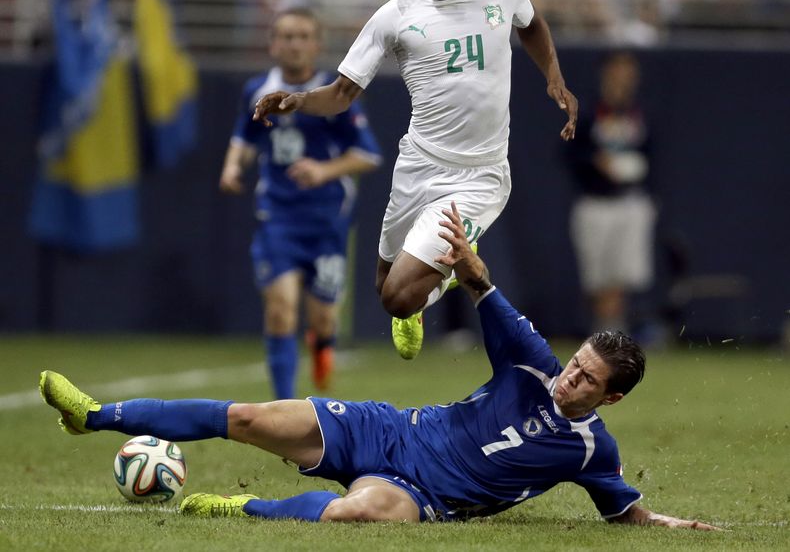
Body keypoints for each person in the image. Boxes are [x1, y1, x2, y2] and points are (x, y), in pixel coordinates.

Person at [39, 203, 720, 529]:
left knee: (356, 516)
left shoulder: (590, 450)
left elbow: (623, 512)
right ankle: (93, 414)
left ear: (611, 398)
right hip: (387, 431)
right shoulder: (531, 363)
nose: (570, 377)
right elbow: (485, 288)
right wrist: (464, 260)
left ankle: (244, 506)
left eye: (587, 379)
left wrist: (673, 528)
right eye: (576, 363)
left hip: (424, 496)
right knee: (245, 416)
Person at [253, 0, 579, 361]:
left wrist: (554, 76)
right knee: (384, 287)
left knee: (398, 298)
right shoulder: (396, 15)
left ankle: (452, 265)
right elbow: (343, 92)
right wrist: (298, 100)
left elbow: (532, 25)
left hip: (479, 175)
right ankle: (444, 267)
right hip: (419, 166)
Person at [219, 8, 382, 398]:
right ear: (273, 44)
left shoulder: (334, 95)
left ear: (316, 45)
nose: (294, 44)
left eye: (302, 36)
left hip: (327, 220)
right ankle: (284, 407)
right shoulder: (257, 90)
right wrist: (231, 167)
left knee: (323, 317)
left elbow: (368, 155)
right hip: (278, 215)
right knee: (280, 310)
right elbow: (244, 135)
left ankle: (322, 343)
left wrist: (324, 171)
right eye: (286, 36)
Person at [566, 52, 655, 337]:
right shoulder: (588, 113)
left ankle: (612, 333)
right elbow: (569, 153)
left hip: (628, 202)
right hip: (595, 203)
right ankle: (603, 329)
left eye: (629, 73)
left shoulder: (640, 113)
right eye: (618, 72)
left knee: (622, 273)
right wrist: (596, 160)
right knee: (596, 276)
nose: (623, 79)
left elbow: (652, 155)